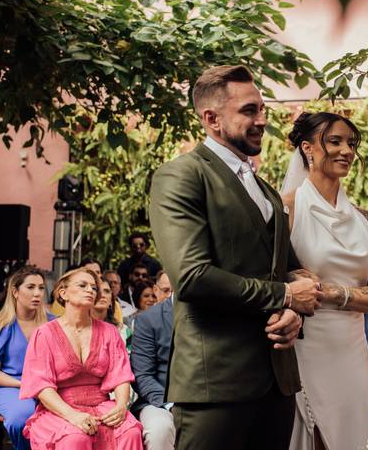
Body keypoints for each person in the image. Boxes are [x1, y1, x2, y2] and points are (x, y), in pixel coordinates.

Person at [149, 65, 322, 450]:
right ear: (211, 119)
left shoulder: (266, 190)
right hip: (216, 383)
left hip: (277, 382)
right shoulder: (182, 176)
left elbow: (290, 271)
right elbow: (192, 277)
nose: (262, 120)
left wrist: (293, 312)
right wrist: (285, 296)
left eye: (262, 109)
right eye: (248, 111)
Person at [281, 111, 368, 450]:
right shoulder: (286, 209)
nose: (347, 150)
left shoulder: (365, 220)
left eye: (351, 143)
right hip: (306, 345)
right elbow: (270, 279)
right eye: (335, 141)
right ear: (307, 148)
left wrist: (333, 293)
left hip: (351, 349)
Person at [19, 267, 143, 449]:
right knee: (75, 438)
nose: (90, 290)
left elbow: (121, 376)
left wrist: (121, 406)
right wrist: (72, 415)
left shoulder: (110, 332)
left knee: (130, 432)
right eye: (82, 285)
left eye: (93, 288)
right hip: (60, 407)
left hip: (101, 404)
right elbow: (41, 386)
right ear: (63, 293)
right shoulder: (44, 334)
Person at [0, 266, 54, 450]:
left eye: (41, 288)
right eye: (30, 287)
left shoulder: (53, 323)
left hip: (46, 386)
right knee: (22, 416)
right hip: (6, 386)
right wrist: (26, 385)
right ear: (15, 291)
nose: (37, 293)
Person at [130, 290, 175, 450]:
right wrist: (170, 405)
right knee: (159, 429)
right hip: (159, 401)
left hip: (210, 399)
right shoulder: (149, 318)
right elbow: (142, 375)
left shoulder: (218, 314)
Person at [92, 276, 132, 351]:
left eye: (107, 291)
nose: (102, 295)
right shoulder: (77, 329)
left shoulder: (123, 330)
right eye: (97, 290)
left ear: (111, 301)